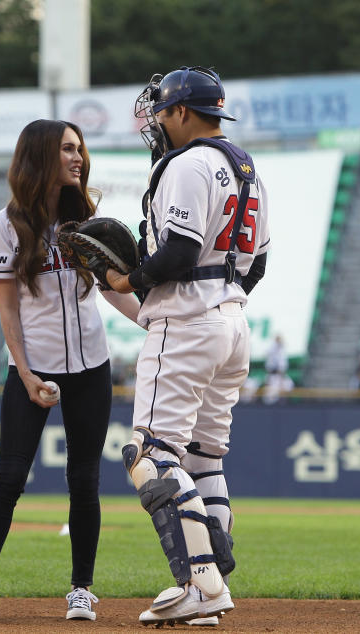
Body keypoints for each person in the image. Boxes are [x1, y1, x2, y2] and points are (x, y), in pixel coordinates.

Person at [100, 67, 270, 626]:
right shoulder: (246, 167)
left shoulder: (187, 162)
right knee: (202, 458)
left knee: (150, 455)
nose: (156, 122)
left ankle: (204, 583)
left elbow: (179, 248)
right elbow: (258, 264)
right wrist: (221, 296)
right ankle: (210, 585)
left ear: (181, 112)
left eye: (162, 112)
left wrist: (129, 281)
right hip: (232, 320)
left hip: (187, 319)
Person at [0, 119, 140, 624]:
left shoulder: (86, 218)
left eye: (79, 148)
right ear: (41, 155)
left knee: (84, 480)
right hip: (33, 367)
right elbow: (8, 313)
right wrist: (24, 373)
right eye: (67, 149)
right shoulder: (4, 225)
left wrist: (154, 322)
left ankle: (81, 590)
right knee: (11, 475)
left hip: (91, 366)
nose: (78, 157)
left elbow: (111, 288)